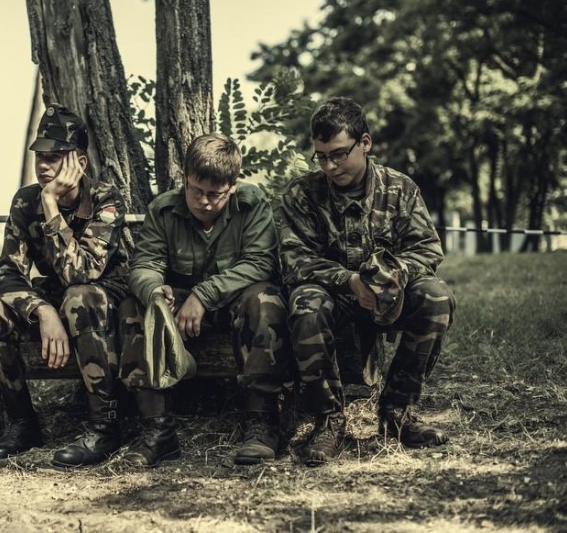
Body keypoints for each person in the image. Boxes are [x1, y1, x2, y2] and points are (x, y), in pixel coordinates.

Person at [276, 96, 456, 466]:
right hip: (333, 298)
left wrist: (393, 277)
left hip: (390, 298)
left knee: (436, 297)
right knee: (305, 302)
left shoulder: (400, 188)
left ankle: (398, 413)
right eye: (321, 156)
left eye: (339, 154)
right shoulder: (302, 193)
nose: (329, 165)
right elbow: (295, 261)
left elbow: (427, 249)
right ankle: (329, 420)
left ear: (365, 143)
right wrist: (349, 281)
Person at [119, 133, 289, 467]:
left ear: (233, 186)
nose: (205, 202)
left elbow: (260, 263)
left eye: (215, 194)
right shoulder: (164, 209)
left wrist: (204, 294)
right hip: (178, 306)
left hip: (233, 302)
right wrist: (155, 292)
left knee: (266, 299)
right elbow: (145, 265)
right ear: (185, 178)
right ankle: (158, 430)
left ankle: (261, 423)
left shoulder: (252, 205)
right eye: (196, 190)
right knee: (132, 308)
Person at [0, 103, 131, 467]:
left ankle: (104, 427)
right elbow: (7, 274)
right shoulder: (23, 201)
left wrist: (50, 205)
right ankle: (22, 423)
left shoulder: (106, 199)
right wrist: (42, 310)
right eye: (39, 157)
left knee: (79, 297)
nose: (44, 166)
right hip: (58, 296)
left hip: (105, 294)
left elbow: (83, 274)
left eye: (55, 157)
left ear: (80, 162)